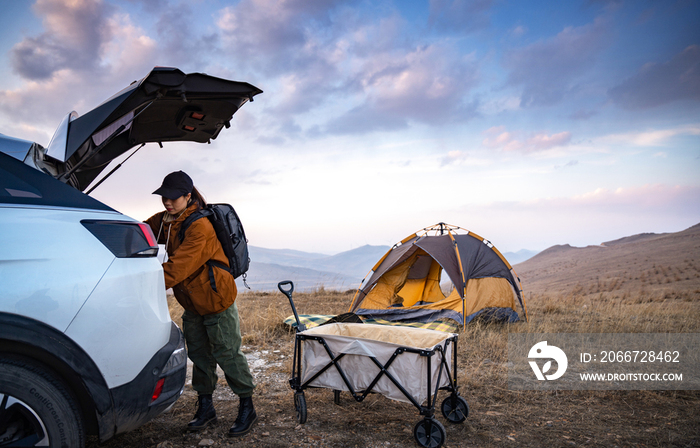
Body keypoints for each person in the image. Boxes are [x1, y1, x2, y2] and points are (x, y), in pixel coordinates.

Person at [145, 170, 257, 437]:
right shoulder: (165, 220)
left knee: (228, 354)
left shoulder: (200, 227)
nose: (167, 202)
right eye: (164, 197)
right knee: (199, 355)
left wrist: (138, 287)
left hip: (216, 300)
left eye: (173, 198)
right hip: (193, 302)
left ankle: (247, 406)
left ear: (188, 195)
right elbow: (140, 232)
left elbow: (177, 268)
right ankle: (206, 408)